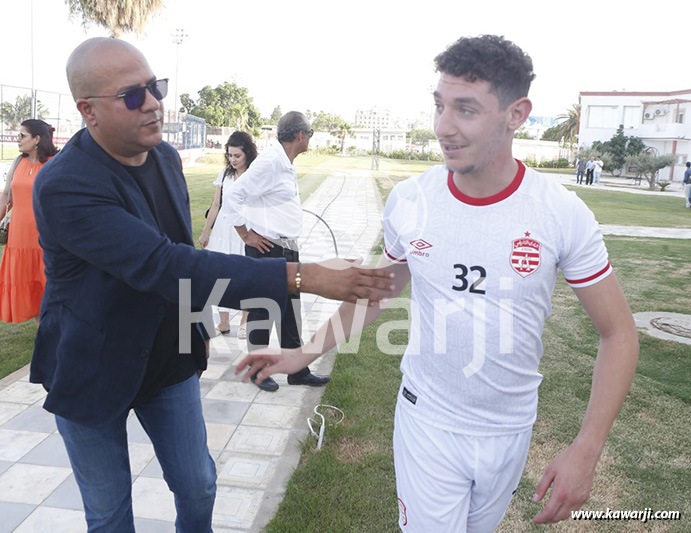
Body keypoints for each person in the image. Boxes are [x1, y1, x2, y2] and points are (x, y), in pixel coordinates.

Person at [237, 34, 639, 532]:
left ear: (516, 114)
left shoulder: (561, 214)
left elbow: (619, 333)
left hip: (510, 427)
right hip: (427, 418)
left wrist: (587, 447)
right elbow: (378, 291)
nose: (443, 127)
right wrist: (302, 354)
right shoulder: (412, 201)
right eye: (439, 106)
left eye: (465, 109)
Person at [30, 37, 393, 533]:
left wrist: (195, 329)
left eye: (155, 87)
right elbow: (167, 265)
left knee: (198, 484)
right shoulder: (66, 185)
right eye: (133, 96)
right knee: (110, 513)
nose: (155, 103)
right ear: (88, 111)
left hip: (167, 355)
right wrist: (305, 276)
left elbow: (187, 254)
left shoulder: (162, 158)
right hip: (90, 361)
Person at [225, 111, 329, 392]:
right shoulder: (270, 162)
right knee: (262, 311)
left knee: (290, 312)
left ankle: (297, 371)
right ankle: (258, 371)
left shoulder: (285, 163)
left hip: (286, 250)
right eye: (310, 133)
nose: (310, 138)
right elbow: (233, 195)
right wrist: (246, 234)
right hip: (267, 252)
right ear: (300, 135)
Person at [0, 119, 59, 323]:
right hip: (18, 240)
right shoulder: (18, 162)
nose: (18, 139)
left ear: (37, 139)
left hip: (45, 240)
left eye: (22, 135)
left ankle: (48, 335)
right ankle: (43, 334)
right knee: (31, 291)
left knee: (48, 290)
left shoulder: (54, 164)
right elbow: (7, 195)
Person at [199, 131, 256, 338]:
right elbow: (216, 205)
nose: (233, 160)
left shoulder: (254, 174)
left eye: (237, 156)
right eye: (230, 155)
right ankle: (223, 322)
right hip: (223, 228)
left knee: (244, 275)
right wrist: (206, 232)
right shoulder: (224, 174)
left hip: (245, 228)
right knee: (220, 275)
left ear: (247, 154)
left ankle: (244, 321)